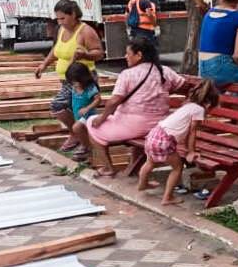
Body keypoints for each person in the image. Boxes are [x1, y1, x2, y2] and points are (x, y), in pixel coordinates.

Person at [74, 38, 185, 177]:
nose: (126, 57)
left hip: (133, 125)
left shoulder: (127, 74)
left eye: (128, 53)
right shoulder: (164, 71)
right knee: (112, 125)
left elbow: (114, 101)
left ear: (139, 55)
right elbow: (183, 86)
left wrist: (102, 118)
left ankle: (108, 168)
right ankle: (134, 165)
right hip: (160, 123)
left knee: (92, 123)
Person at [34, 0, 104, 148]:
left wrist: (85, 55)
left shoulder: (85, 30)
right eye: (58, 19)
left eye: (63, 18)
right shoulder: (61, 30)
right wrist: (44, 64)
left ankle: (81, 136)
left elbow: (99, 53)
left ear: (73, 14)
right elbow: (56, 50)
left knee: (58, 106)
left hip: (83, 79)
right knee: (73, 109)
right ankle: (80, 136)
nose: (60, 22)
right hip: (67, 80)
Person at [138, 79, 219, 205]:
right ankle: (167, 198)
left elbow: (182, 130)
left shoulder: (188, 106)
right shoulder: (199, 110)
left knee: (150, 162)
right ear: (208, 104)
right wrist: (191, 152)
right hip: (165, 140)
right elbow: (192, 132)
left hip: (154, 135)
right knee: (177, 167)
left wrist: (186, 148)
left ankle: (142, 185)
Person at [61, 61, 102, 159]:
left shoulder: (90, 88)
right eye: (72, 82)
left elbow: (98, 100)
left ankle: (86, 146)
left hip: (88, 115)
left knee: (76, 127)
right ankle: (86, 146)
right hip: (77, 114)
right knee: (79, 130)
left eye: (76, 82)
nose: (74, 84)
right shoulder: (74, 87)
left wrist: (87, 108)